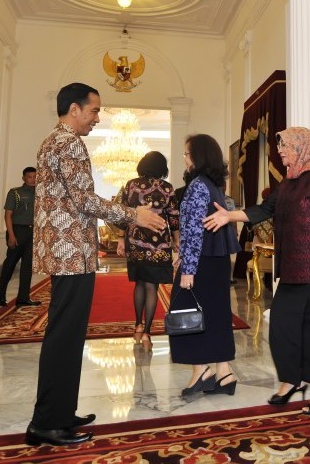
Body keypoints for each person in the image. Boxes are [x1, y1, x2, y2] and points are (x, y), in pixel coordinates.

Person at [26, 83, 166, 447]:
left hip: (66, 252)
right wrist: (134, 214)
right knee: (64, 337)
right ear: (74, 109)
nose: (97, 118)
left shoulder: (51, 141)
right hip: (72, 254)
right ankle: (48, 423)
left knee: (67, 336)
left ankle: (59, 413)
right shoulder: (70, 142)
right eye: (94, 111)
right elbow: (86, 201)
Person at [203, 127, 310, 415]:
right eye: (280, 146)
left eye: (286, 146)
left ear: (304, 147)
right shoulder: (288, 183)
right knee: (282, 328)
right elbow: (263, 210)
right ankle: (292, 379)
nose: (280, 151)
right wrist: (230, 215)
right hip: (292, 269)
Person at [170, 134, 239, 398]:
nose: (185, 159)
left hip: (201, 262)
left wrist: (188, 267)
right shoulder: (214, 183)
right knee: (214, 316)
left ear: (197, 156)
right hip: (215, 260)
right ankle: (224, 373)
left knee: (186, 316)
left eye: (187, 154)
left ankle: (201, 371)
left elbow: (194, 229)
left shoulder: (198, 185)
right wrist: (183, 256)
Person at [116, 151, 180, 351]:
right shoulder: (168, 188)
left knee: (140, 284)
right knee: (152, 286)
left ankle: (137, 326)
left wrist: (120, 239)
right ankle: (147, 334)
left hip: (135, 242)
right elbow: (174, 218)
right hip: (158, 245)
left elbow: (122, 214)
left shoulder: (131, 185)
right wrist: (177, 241)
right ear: (163, 168)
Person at [0, 166, 40, 307]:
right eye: (30, 177)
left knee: (27, 266)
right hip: (17, 231)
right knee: (10, 263)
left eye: (35, 177)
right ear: (24, 178)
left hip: (32, 233)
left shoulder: (41, 194)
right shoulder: (15, 193)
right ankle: (1, 294)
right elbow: (8, 215)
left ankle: (23, 298)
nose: (33, 179)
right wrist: (11, 235)